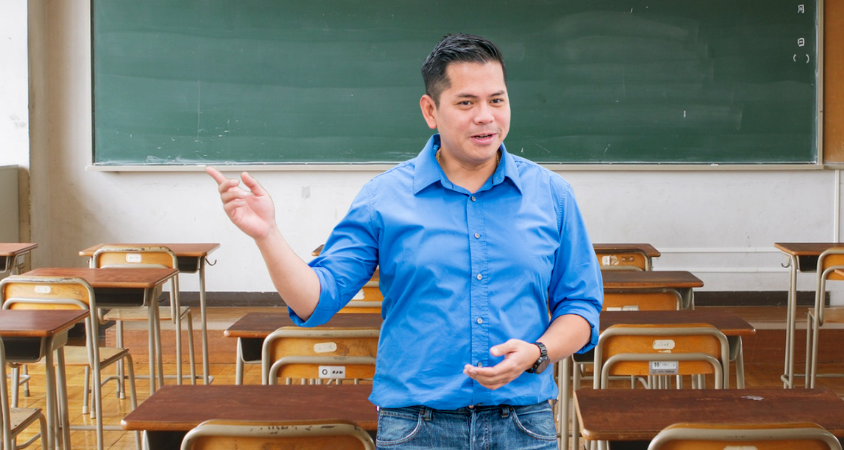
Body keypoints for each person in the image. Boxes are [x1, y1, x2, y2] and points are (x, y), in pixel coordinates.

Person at [204, 33, 602, 449]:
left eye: (497, 100)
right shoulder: (384, 198)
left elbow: (582, 306)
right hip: (416, 427)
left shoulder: (552, 195)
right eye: (466, 103)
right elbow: (314, 301)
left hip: (522, 424)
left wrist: (540, 352)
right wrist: (267, 235)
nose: (485, 116)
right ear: (430, 110)